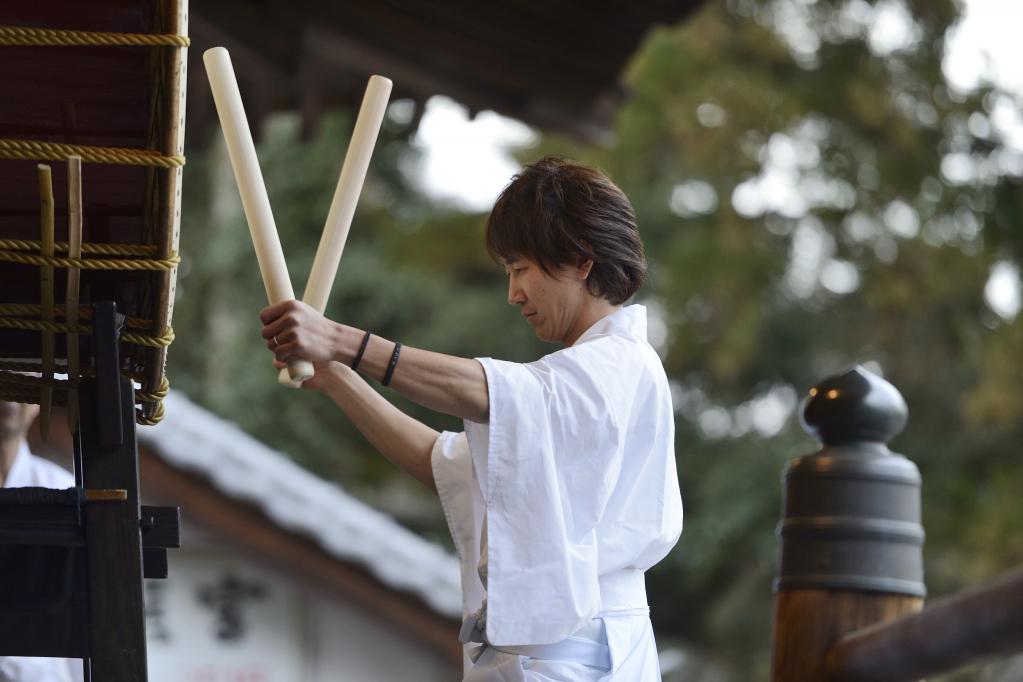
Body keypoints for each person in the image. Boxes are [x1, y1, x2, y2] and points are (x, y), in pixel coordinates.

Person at [259, 157, 684, 681]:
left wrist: (342, 341)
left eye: (521, 268)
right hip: (556, 648)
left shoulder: (618, 364)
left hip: (584, 649)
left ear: (579, 260)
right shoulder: (578, 383)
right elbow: (443, 460)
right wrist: (336, 375)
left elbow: (493, 392)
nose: (513, 294)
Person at [0, 400, 83, 682]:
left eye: (23, 378)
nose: (8, 396)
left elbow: (87, 619)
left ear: (37, 400)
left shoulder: (62, 491)